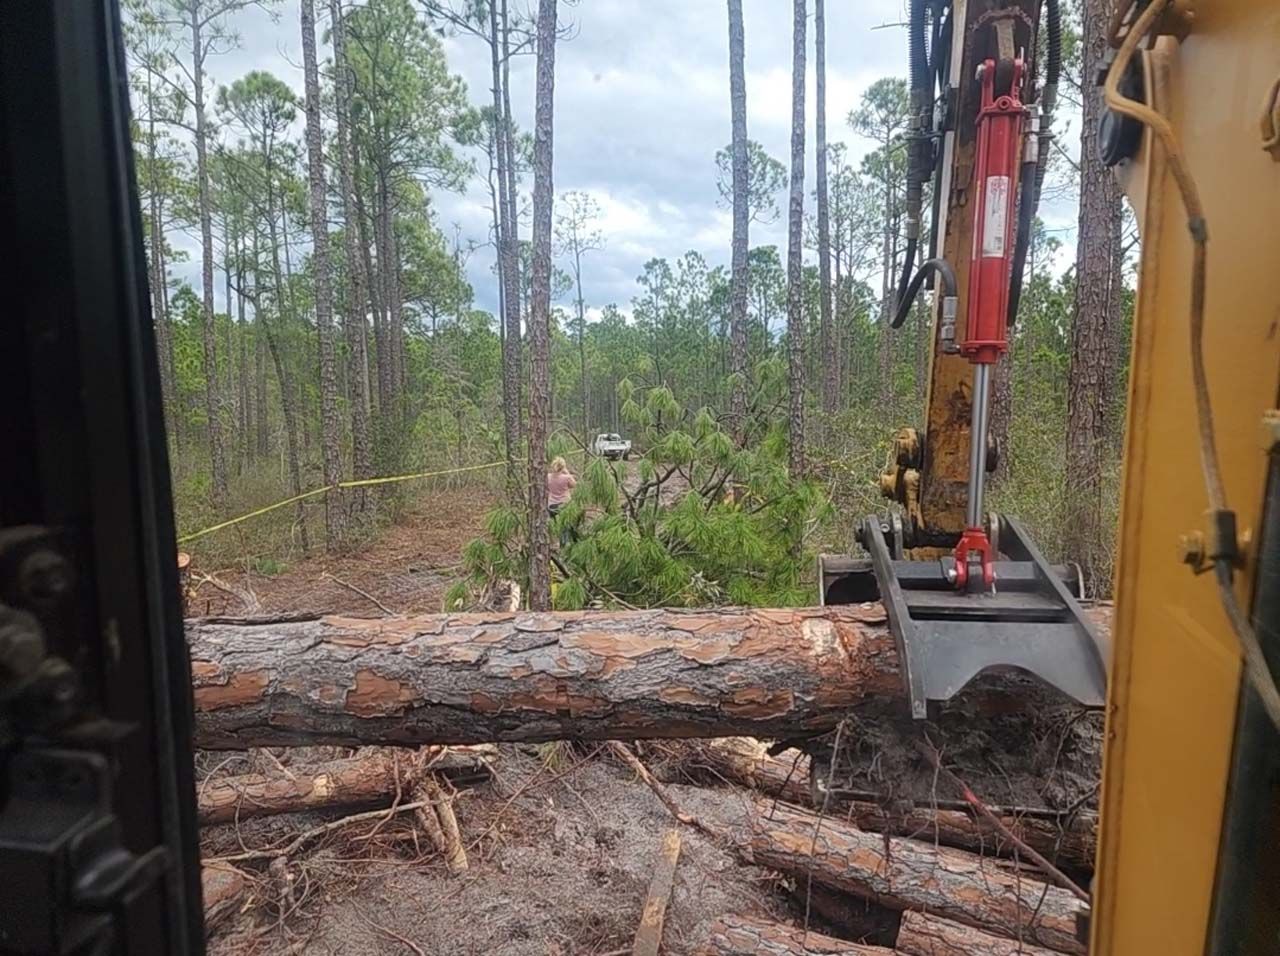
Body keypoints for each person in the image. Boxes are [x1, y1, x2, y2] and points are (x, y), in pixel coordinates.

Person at [546, 456, 577, 546]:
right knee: (565, 526)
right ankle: (565, 544)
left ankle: (553, 543)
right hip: (564, 504)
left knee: (554, 525)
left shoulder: (548, 477)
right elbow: (574, 485)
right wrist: (567, 472)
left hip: (551, 505)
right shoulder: (566, 478)